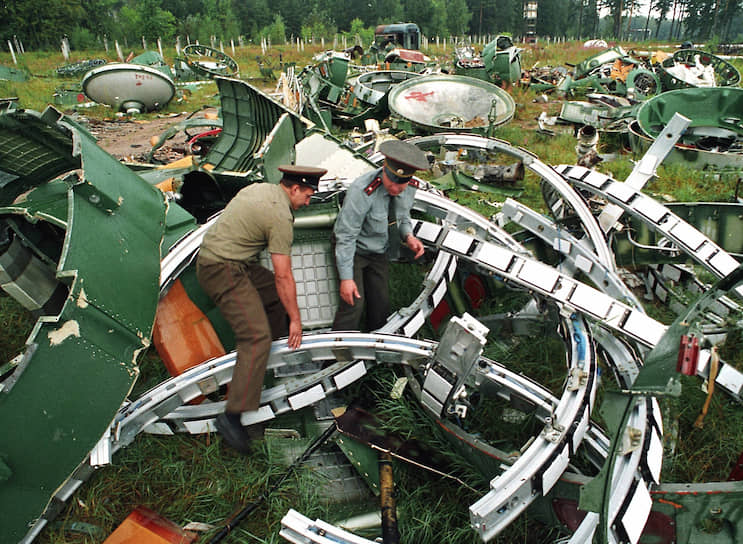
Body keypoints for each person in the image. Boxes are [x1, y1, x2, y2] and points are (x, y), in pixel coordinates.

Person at [196, 165, 326, 454]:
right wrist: (296, 320)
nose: (308, 201)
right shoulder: (280, 215)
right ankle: (232, 418)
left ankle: (270, 364)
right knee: (255, 337)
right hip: (222, 269)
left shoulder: (262, 189)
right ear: (294, 188)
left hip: (231, 263)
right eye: (307, 194)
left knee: (273, 298)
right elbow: (283, 275)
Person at [332, 140, 429, 331]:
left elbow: (402, 216)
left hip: (379, 250)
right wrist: (346, 278)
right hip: (354, 250)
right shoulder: (362, 191)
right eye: (391, 182)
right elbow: (346, 237)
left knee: (381, 304)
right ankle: (338, 356)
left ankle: (375, 348)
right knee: (353, 304)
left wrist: (409, 236)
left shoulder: (410, 187)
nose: (395, 189)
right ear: (384, 169)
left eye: (400, 186)